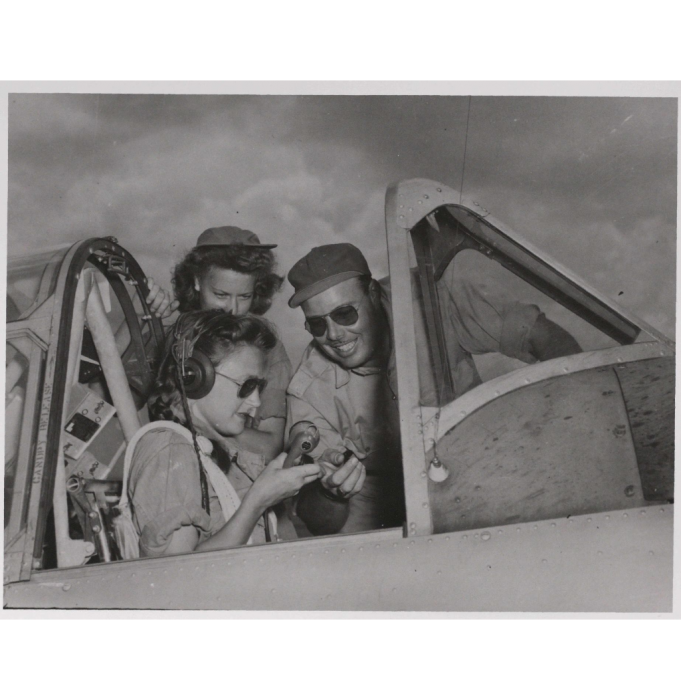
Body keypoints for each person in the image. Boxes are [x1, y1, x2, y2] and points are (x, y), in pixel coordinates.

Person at [285, 243, 582, 536]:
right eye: (317, 325)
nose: (335, 335)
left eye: (345, 314)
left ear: (373, 294)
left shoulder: (431, 297)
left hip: (474, 458)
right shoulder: (309, 388)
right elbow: (317, 518)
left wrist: (564, 420)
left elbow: (545, 338)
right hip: (379, 492)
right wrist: (332, 494)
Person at [125, 310, 320, 557]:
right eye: (246, 385)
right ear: (195, 377)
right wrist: (258, 500)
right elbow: (178, 575)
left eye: (259, 387)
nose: (256, 402)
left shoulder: (209, 449)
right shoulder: (170, 449)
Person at [171, 226, 292, 462]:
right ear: (197, 281)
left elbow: (270, 446)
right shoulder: (172, 336)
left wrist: (200, 422)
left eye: (244, 297)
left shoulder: (270, 350)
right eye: (221, 294)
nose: (232, 309)